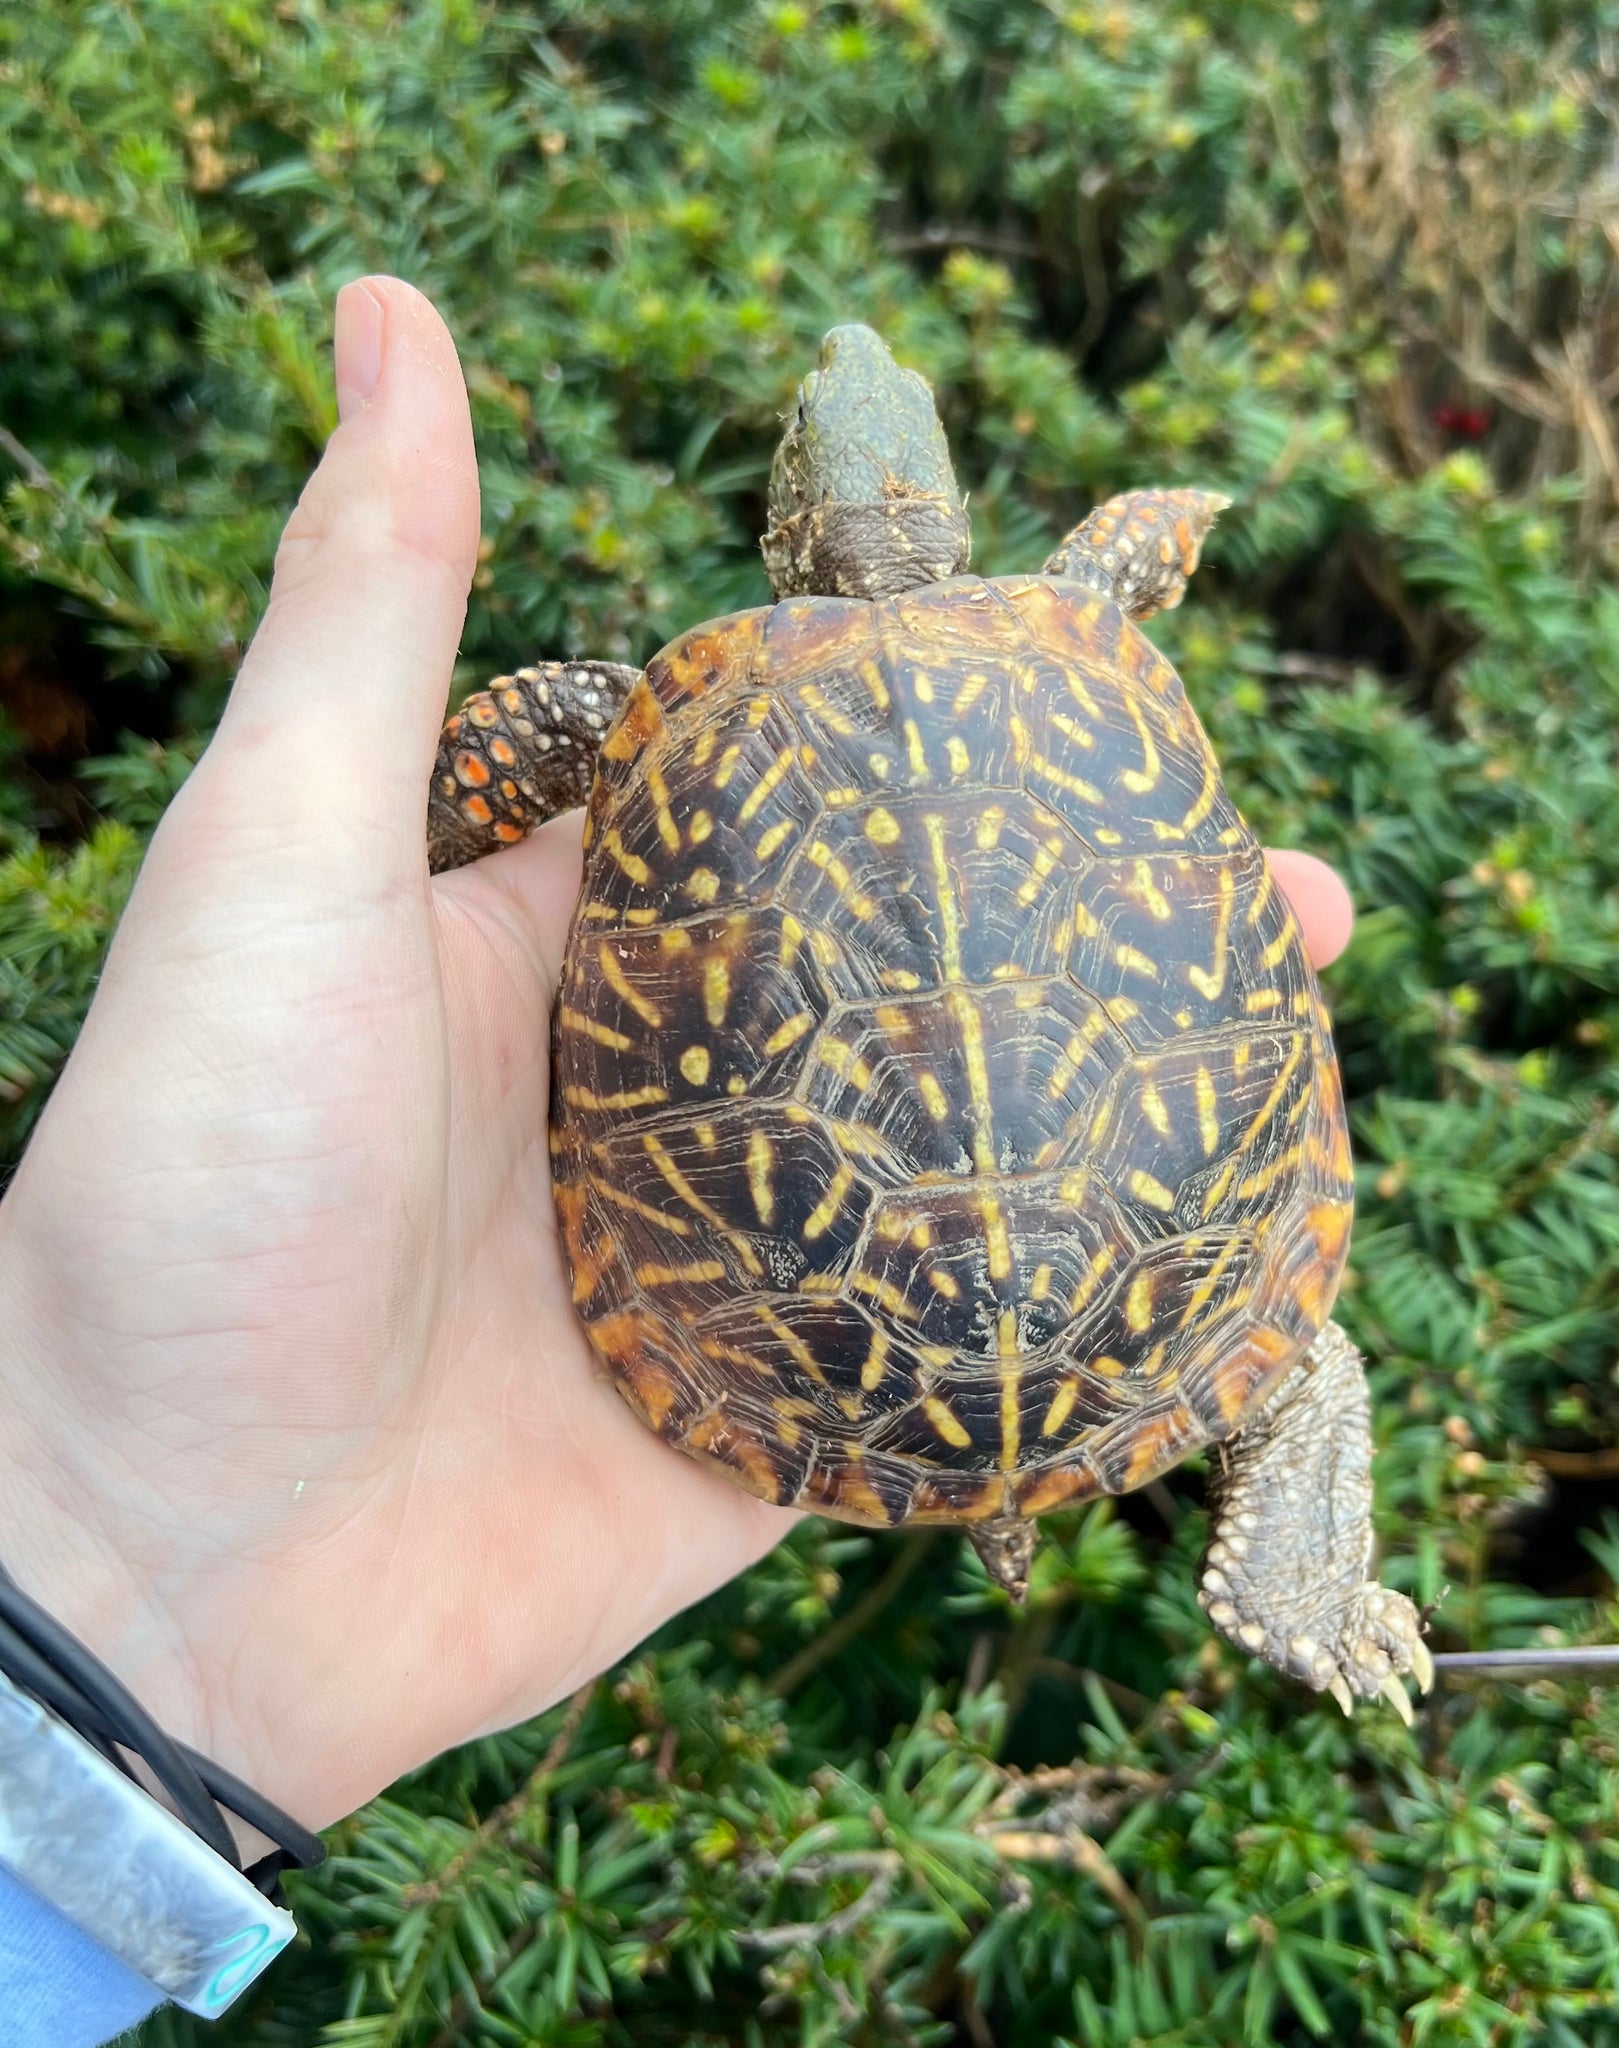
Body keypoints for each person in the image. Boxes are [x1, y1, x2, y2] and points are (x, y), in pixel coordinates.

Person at [0, 279, 1355, 2040]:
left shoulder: (645, 709)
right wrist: (1155, 538)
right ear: (942, 510)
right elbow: (1122, 566)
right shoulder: (1090, 622)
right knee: (1294, 1351)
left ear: (788, 514)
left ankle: (1281, 1545)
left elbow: (514, 752)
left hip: (784, 1328)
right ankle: (1306, 1568)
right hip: (1133, 1234)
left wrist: (401, 845)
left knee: (1292, 1360)